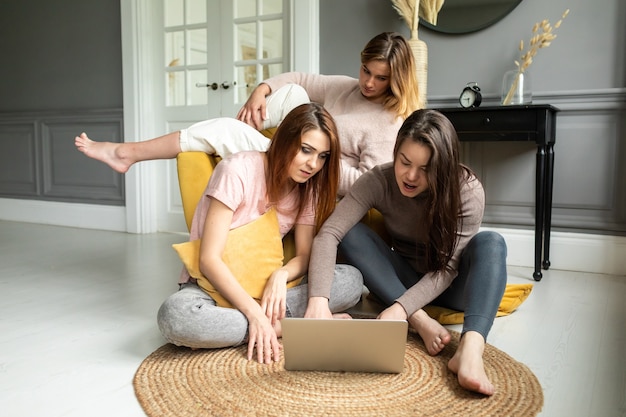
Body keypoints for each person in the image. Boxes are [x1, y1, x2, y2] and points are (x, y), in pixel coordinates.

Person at [304, 109, 508, 396]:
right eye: (404, 162)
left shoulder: (467, 191)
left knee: (492, 242)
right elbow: (329, 234)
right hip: (401, 279)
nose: (411, 176)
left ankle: (470, 352)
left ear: (444, 167)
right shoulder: (379, 180)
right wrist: (318, 302)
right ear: (396, 151)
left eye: (426, 169)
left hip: (452, 284)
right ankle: (420, 319)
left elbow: (448, 269)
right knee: (350, 233)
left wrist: (398, 310)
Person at [75, 32, 422, 196]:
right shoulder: (347, 87)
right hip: (297, 146)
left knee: (226, 129)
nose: (369, 83)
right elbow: (300, 79)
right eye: (366, 71)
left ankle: (127, 153)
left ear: (398, 79)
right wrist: (261, 90)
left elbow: (365, 183)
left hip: (312, 170)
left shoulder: (389, 122)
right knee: (297, 93)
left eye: (381, 78)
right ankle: (233, 144)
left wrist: (319, 156)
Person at [156, 103, 363, 364]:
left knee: (352, 280)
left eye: (323, 156)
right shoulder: (236, 170)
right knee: (176, 316)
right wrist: (254, 314)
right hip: (212, 289)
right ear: (285, 140)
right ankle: (284, 327)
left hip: (268, 290)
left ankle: (252, 327)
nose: (313, 164)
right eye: (306, 150)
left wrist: (280, 275)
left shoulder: (309, 188)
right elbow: (208, 260)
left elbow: (304, 255)